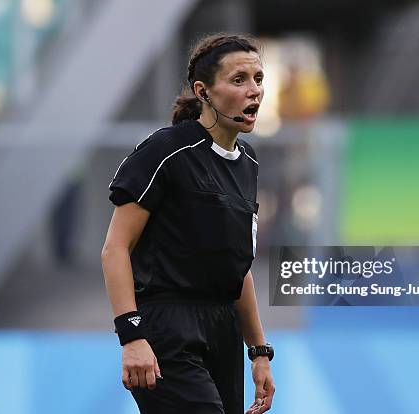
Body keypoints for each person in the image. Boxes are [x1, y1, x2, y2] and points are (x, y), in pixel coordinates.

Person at [101, 33, 275, 414]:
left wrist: (259, 351)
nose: (254, 91)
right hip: (166, 327)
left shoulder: (249, 163)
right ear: (204, 91)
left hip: (223, 329)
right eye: (238, 80)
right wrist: (131, 336)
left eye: (258, 79)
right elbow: (115, 248)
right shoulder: (166, 151)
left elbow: (236, 267)